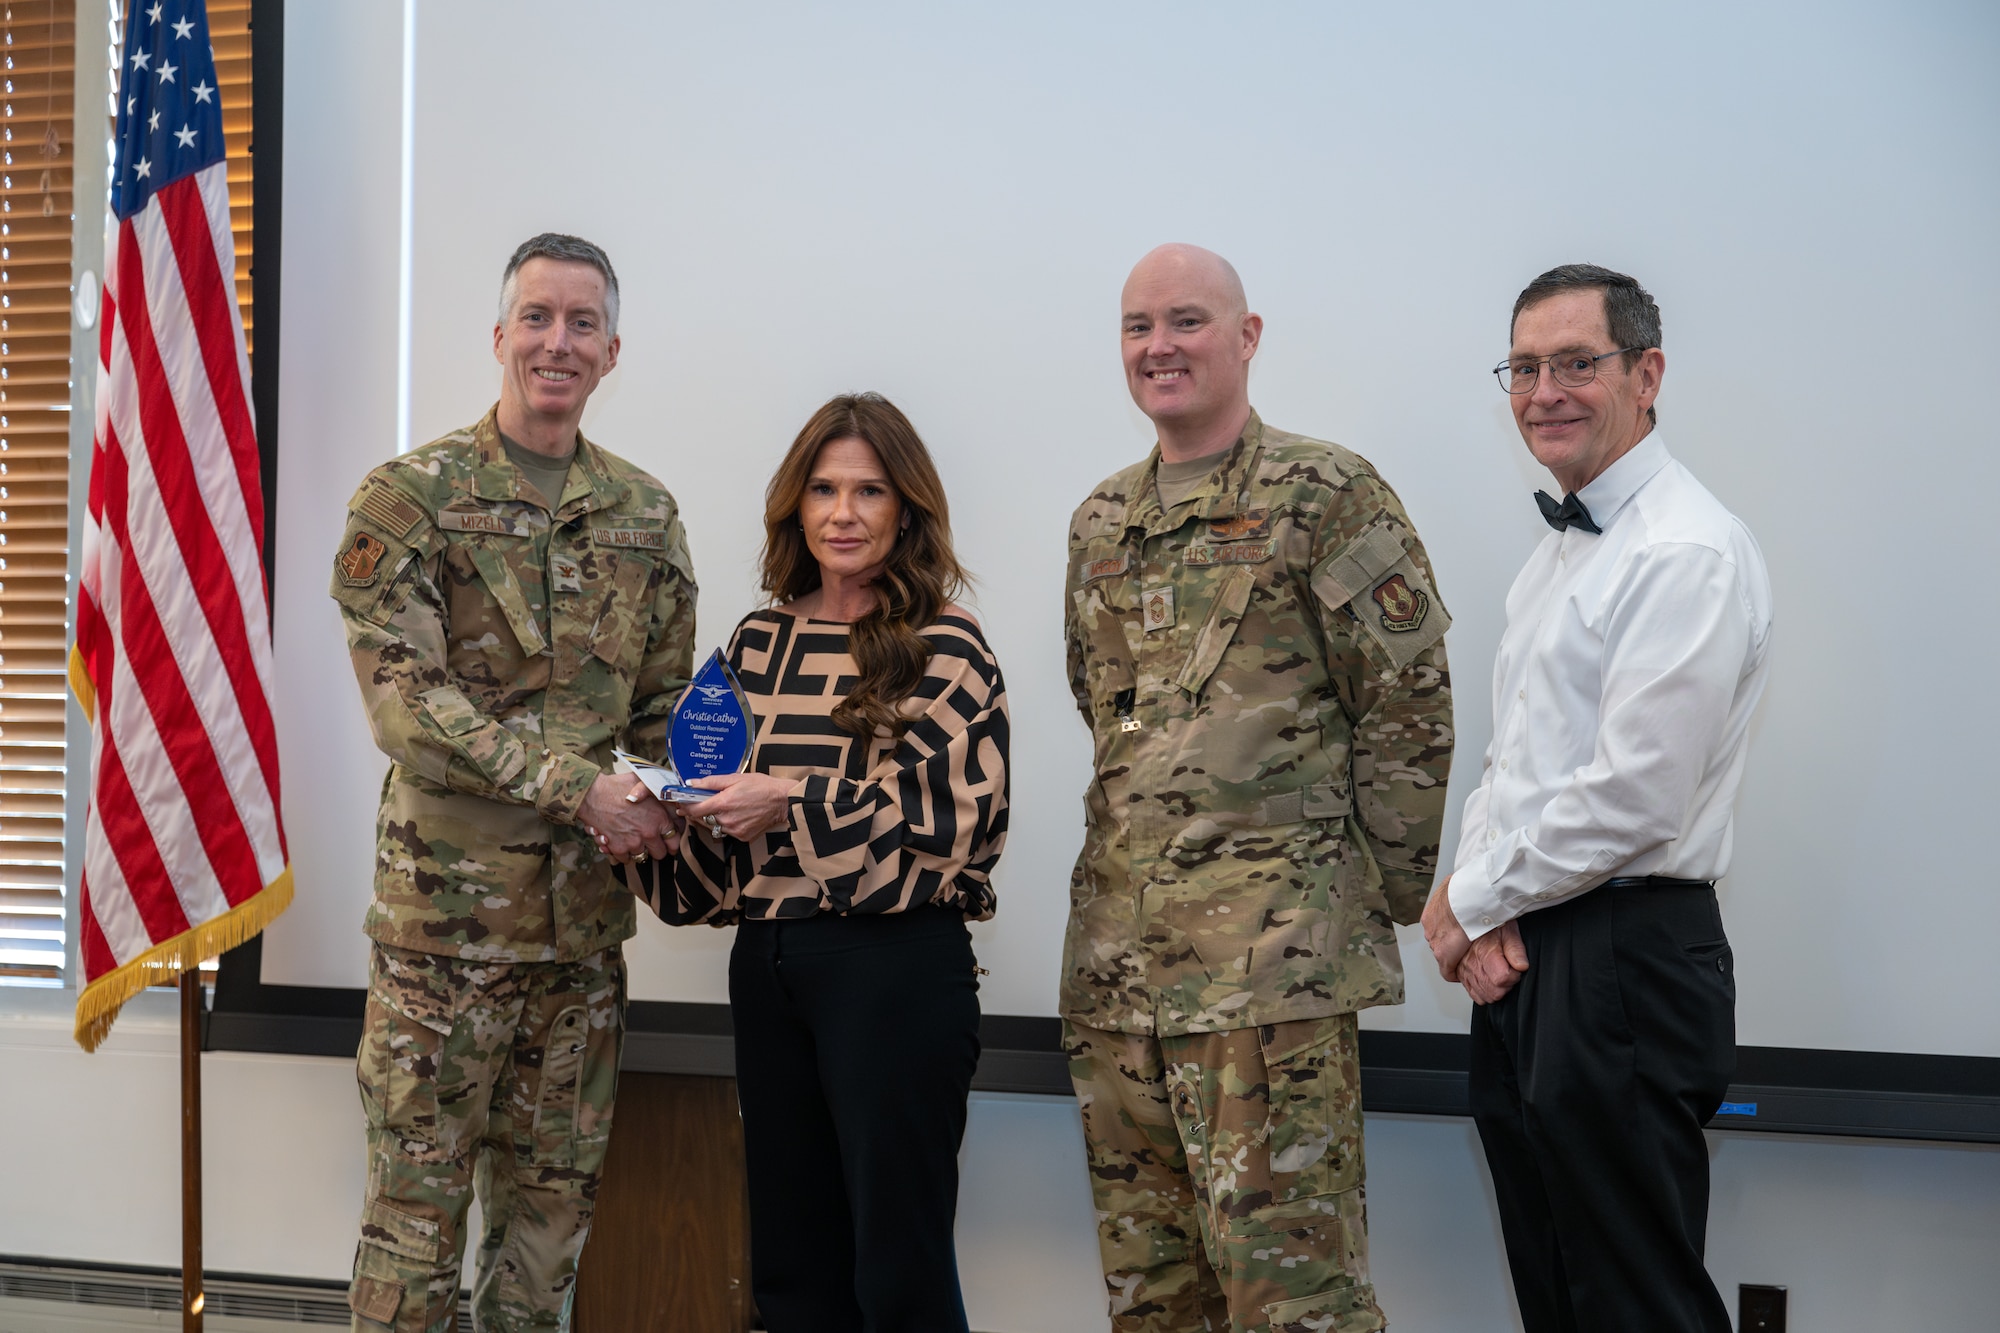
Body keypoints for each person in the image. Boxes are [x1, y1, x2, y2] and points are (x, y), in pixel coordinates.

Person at [1061, 244, 1455, 1332]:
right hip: (1118, 978)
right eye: (1138, 326)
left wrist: (1369, 896)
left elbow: (1408, 703)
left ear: (1247, 336)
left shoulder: (1325, 494)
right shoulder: (1099, 521)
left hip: (1271, 980)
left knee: (1295, 1303)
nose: (1159, 346)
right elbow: (1106, 716)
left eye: (1186, 321)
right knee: (1153, 1302)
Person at [330, 233, 696, 1333]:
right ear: (500, 336)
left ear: (612, 351)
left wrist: (680, 799)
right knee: (413, 1243)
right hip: (442, 948)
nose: (557, 341)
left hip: (579, 950)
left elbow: (662, 712)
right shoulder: (409, 499)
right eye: (537, 316)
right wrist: (578, 789)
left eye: (583, 322)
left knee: (545, 1250)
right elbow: (407, 706)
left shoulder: (645, 515)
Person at [1423, 264, 1772, 1333]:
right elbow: (1511, 763)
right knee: (1558, 1297)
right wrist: (1482, 906)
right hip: (1538, 949)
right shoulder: (1557, 555)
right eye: (1523, 367)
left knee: (1633, 1306)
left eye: (1576, 362)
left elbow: (1633, 797)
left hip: (1620, 960)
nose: (1544, 392)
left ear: (1646, 374)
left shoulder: (1683, 550)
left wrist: (1471, 899)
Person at [623, 392, 1009, 1333]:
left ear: (906, 509)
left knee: (901, 1277)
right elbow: (718, 856)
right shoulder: (757, 643)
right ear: (795, 506)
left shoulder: (948, 645)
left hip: (893, 970)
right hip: (768, 966)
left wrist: (789, 798)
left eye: (869, 490)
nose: (843, 512)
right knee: (792, 1278)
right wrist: (650, 821)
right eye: (824, 489)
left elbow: (953, 825)